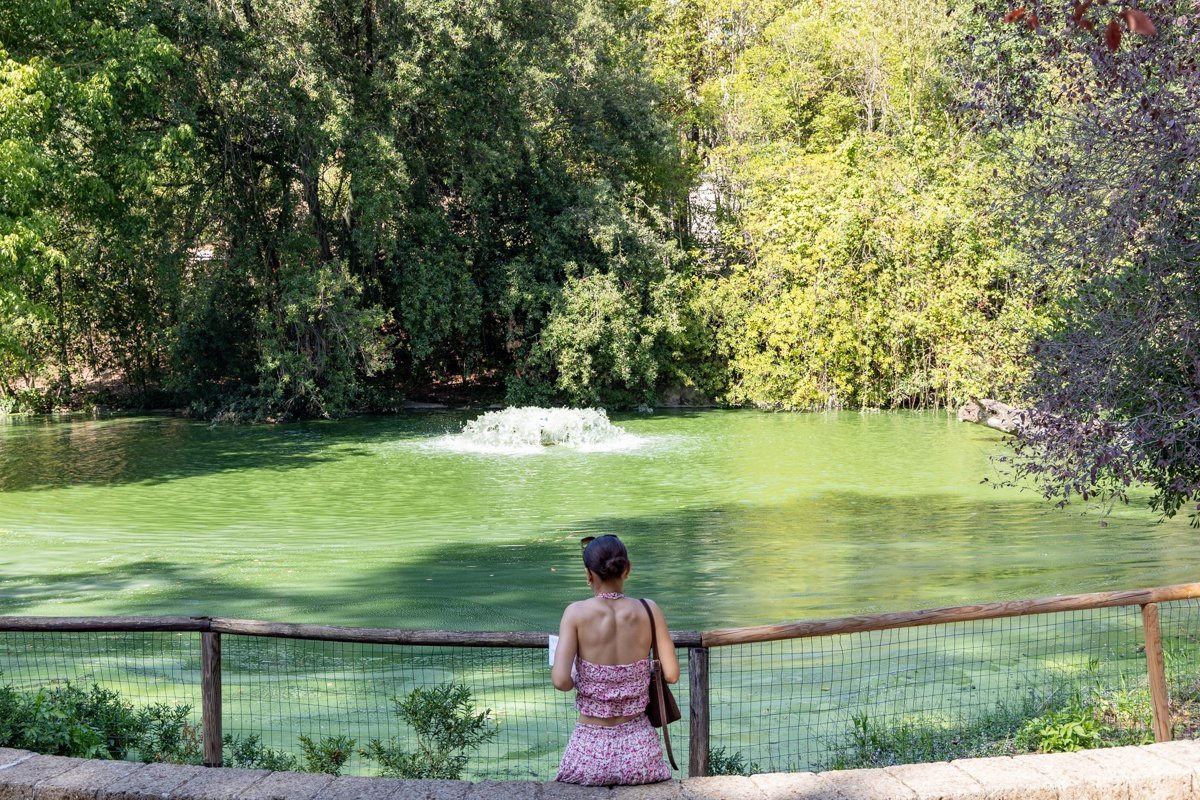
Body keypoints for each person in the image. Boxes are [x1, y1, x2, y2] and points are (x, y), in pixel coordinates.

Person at [552, 534, 678, 786]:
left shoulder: (575, 613)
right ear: (627, 568)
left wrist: (581, 675)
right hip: (640, 754)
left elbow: (561, 681)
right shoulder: (649, 609)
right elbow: (672, 674)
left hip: (588, 754)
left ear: (588, 574)